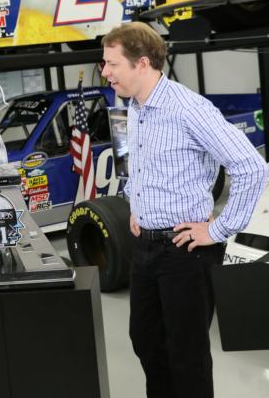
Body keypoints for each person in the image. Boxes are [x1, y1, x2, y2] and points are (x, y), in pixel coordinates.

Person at [100, 22, 268, 398]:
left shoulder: (189, 108)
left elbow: (251, 167)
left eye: (112, 64)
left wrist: (219, 229)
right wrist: (135, 203)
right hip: (144, 248)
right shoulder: (136, 106)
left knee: (186, 355)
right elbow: (144, 164)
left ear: (142, 63)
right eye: (104, 64)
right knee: (146, 341)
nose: (105, 72)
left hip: (185, 252)